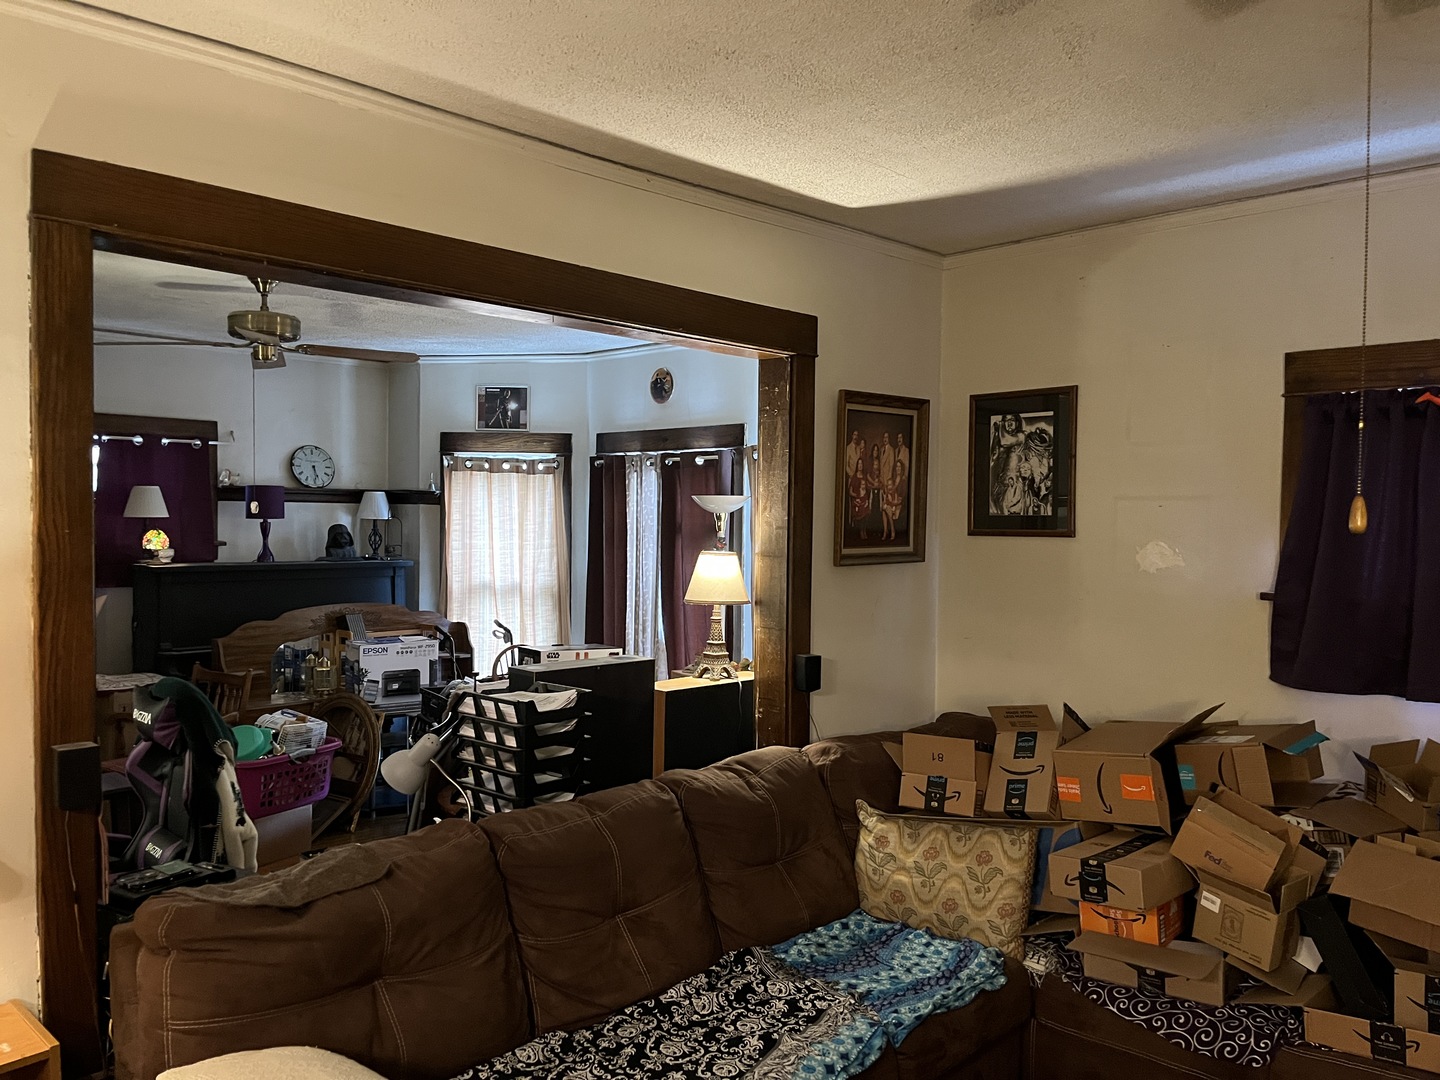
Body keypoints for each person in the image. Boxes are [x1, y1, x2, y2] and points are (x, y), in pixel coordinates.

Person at [989, 414, 1027, 515]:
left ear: (1017, 423)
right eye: (1006, 421)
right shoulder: (1001, 436)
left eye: (1012, 420)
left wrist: (1000, 425)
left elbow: (1005, 441)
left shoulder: (1021, 436)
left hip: (1015, 484)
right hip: (1001, 483)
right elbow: (993, 456)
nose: (1009, 423)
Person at [848, 435, 870, 538]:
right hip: (856, 500)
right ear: (857, 465)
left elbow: (867, 489)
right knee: (860, 508)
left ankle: (864, 530)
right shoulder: (854, 477)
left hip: (864, 498)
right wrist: (856, 496)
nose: (860, 466)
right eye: (859, 464)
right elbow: (850, 491)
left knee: (866, 508)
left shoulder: (864, 476)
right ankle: (861, 531)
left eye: (862, 464)